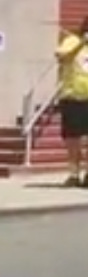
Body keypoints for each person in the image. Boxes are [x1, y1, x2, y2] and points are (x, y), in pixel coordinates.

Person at [55, 16, 88, 187]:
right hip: (73, 96)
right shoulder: (71, 41)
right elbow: (62, 58)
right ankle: (74, 174)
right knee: (73, 139)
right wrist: (82, 43)